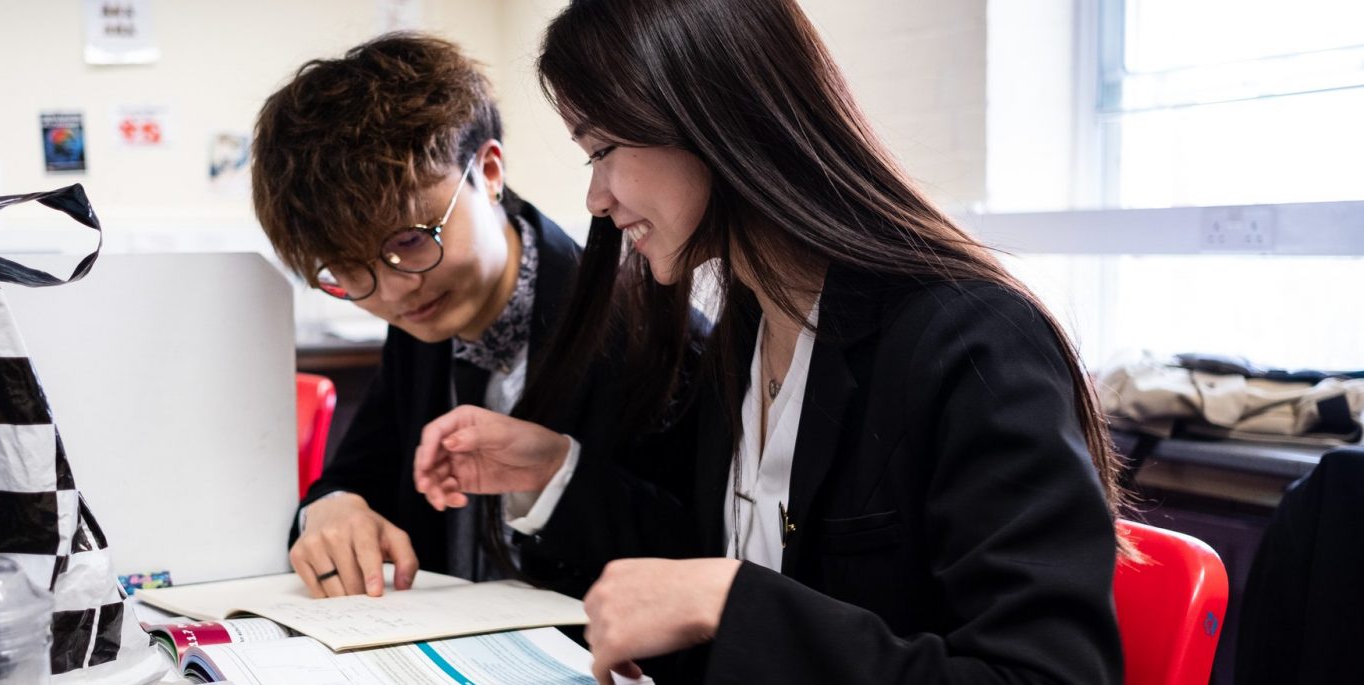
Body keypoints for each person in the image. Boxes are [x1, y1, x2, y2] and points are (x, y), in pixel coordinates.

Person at [412, 1, 1132, 683]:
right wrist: (554, 469)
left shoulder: (973, 342)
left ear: (711, 117)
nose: (597, 198)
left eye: (602, 149)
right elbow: (706, 561)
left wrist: (733, 603)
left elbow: (1043, 672)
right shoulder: (747, 329)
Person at [253, 32, 698, 602]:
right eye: (347, 271)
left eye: (411, 240)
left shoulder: (647, 330)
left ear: (488, 171)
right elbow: (356, 475)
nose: (391, 291)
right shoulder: (421, 317)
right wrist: (331, 508)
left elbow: (696, 554)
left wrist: (558, 478)